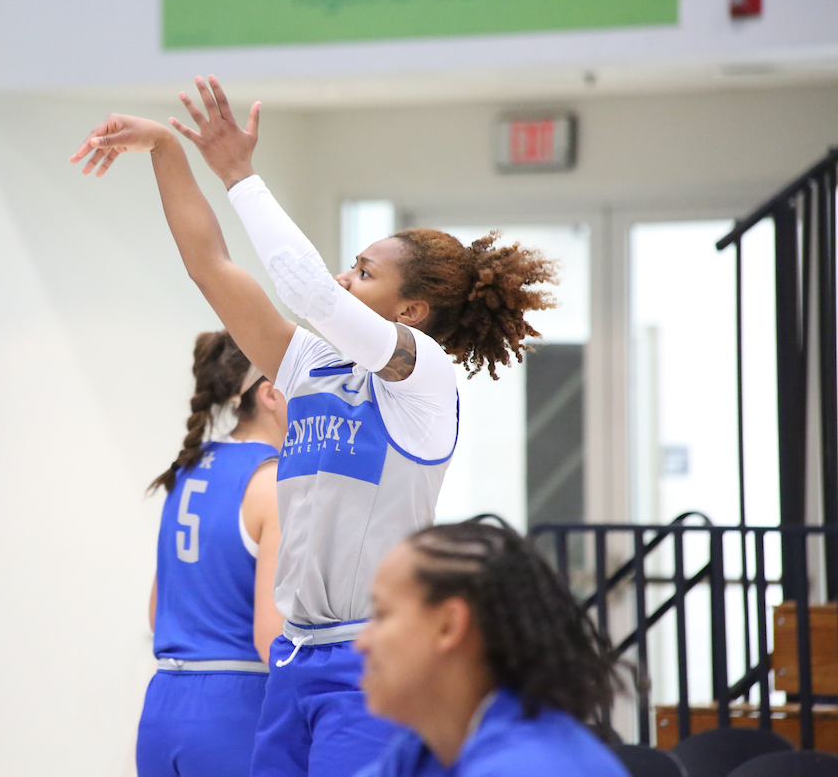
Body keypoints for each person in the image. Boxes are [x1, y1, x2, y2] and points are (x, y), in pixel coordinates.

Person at [71, 76, 557, 777]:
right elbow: (211, 268)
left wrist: (240, 175)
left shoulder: (424, 374)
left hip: (371, 659)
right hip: (296, 656)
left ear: (412, 310)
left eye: (362, 271)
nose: (341, 277)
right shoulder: (310, 366)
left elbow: (302, 288)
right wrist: (163, 152)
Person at [354, 522, 628, 777]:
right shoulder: (424, 752)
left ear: (448, 626)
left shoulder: (527, 767)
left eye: (381, 614)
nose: (361, 643)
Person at [137, 330, 288, 777]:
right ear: (272, 393)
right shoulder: (274, 482)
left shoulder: (187, 467)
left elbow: (155, 613)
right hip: (234, 712)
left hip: (162, 706)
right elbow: (270, 638)